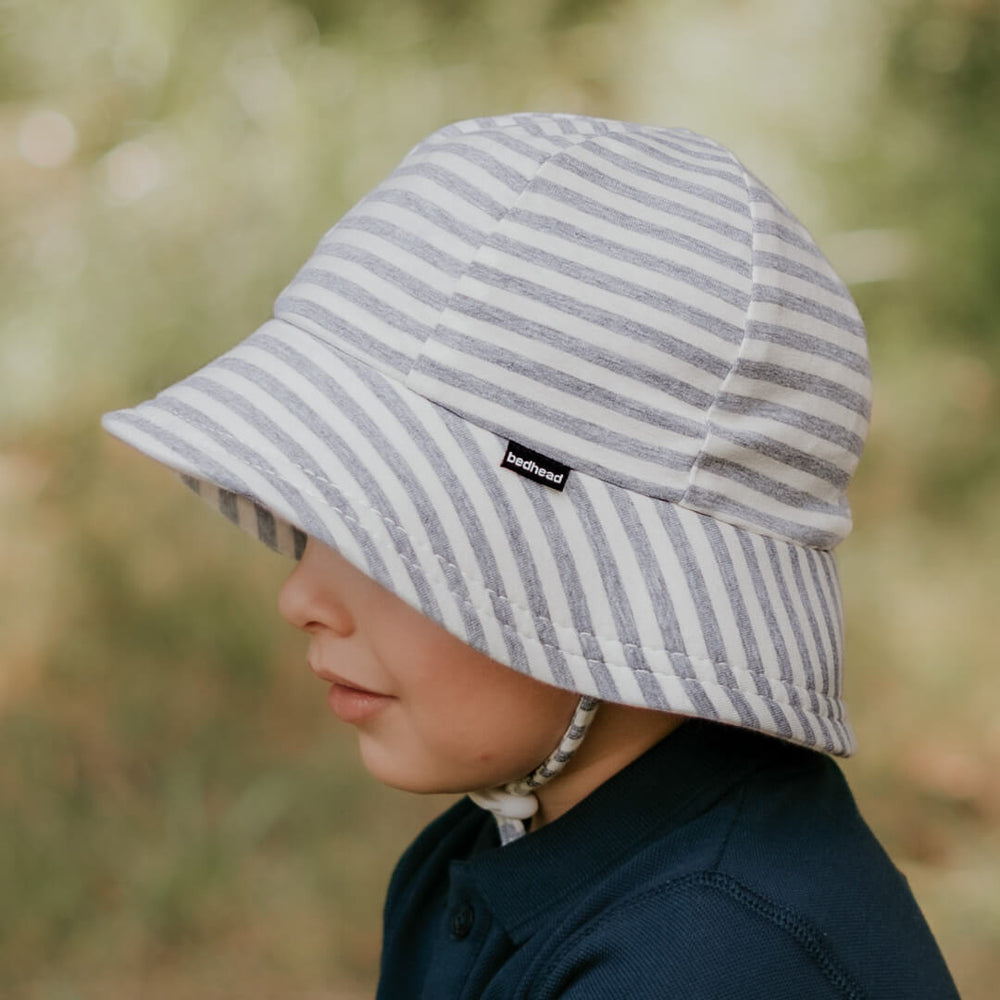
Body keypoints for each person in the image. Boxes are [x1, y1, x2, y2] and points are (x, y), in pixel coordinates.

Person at [102, 112, 960, 998]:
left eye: (385, 530)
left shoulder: (710, 962)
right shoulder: (495, 852)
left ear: (609, 585)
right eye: (323, 516)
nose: (301, 596)